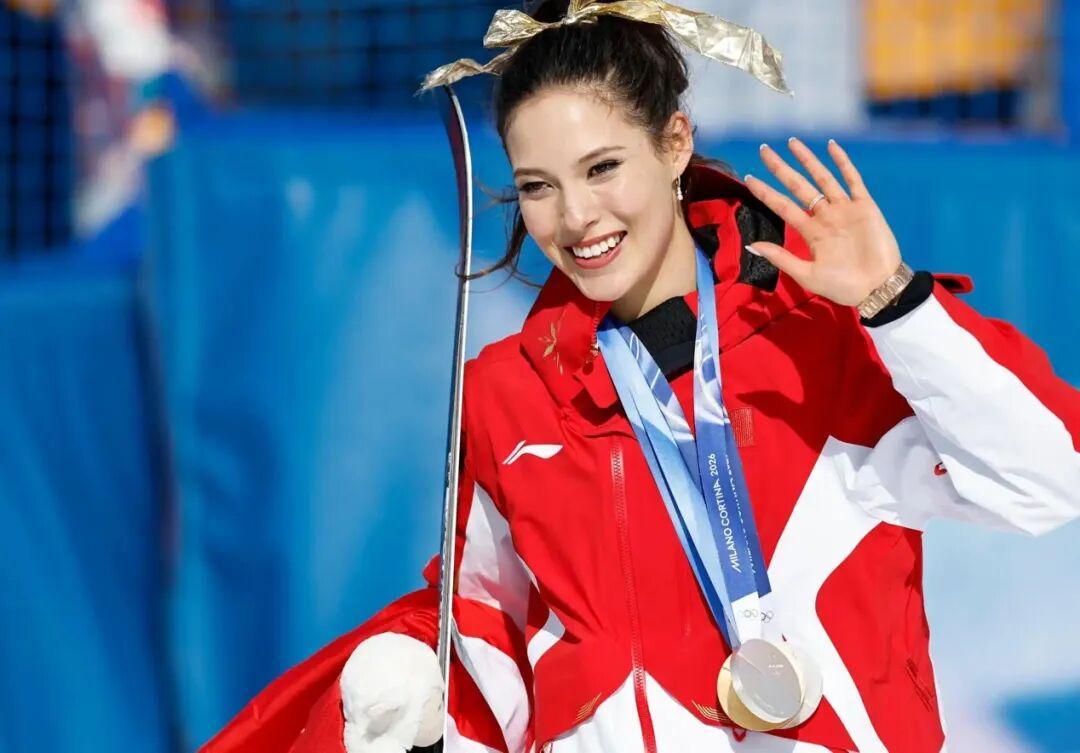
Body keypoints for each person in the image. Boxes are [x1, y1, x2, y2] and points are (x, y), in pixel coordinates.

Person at [201, 2, 1080, 752]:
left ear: (674, 143)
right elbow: (485, 636)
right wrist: (408, 701)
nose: (576, 216)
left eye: (602, 168)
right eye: (538, 186)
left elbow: (1048, 480)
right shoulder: (508, 393)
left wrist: (896, 302)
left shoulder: (819, 343)